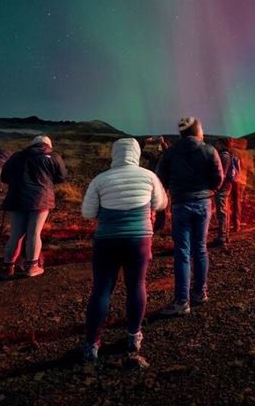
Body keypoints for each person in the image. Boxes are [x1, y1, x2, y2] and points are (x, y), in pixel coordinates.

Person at [80, 138, 167, 366]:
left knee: (101, 289)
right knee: (136, 285)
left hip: (107, 240)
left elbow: (87, 213)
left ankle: (91, 344)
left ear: (114, 154)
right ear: (136, 154)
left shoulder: (100, 179)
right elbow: (161, 204)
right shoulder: (149, 177)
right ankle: (133, 336)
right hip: (139, 239)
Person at [156, 117, 223, 316]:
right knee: (200, 248)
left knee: (182, 253)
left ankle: (182, 301)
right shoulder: (209, 150)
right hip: (203, 204)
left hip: (180, 205)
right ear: (196, 131)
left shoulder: (170, 153)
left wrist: (172, 192)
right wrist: (209, 190)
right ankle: (200, 293)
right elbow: (218, 178)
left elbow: (161, 177)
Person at [0, 135, 67, 279]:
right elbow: (61, 177)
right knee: (34, 233)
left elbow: (4, 177)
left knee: (16, 234)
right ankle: (32, 267)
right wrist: (47, 179)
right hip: (40, 198)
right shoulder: (53, 156)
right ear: (48, 145)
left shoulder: (17, 156)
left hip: (16, 198)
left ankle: (7, 268)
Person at [209, 137, 238, 249]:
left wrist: (217, 187)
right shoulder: (227, 154)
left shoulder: (224, 155)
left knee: (222, 210)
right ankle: (225, 236)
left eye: (217, 142)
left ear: (222, 143)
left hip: (223, 186)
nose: (216, 145)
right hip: (226, 185)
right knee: (224, 209)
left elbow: (223, 174)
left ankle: (222, 237)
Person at [228, 137, 251, 234]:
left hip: (233, 179)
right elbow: (250, 168)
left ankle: (228, 223)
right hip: (243, 180)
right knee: (238, 202)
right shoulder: (248, 154)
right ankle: (237, 224)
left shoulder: (232, 151)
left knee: (229, 201)